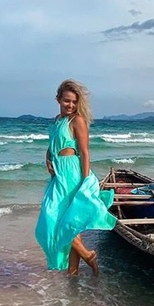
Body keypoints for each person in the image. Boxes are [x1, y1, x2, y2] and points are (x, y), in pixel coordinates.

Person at [35, 79, 117, 275]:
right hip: (58, 175)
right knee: (66, 223)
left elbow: (85, 152)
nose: (70, 105)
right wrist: (47, 158)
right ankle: (73, 272)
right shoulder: (57, 121)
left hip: (72, 174)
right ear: (58, 99)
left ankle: (87, 256)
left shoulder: (77, 120)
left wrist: (85, 180)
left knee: (54, 220)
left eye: (73, 102)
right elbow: (52, 145)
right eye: (66, 101)